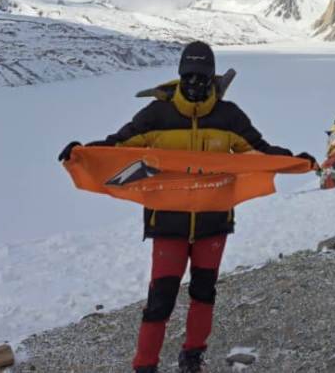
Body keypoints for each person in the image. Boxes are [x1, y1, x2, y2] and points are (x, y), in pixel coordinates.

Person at [59, 41, 314, 373]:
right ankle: (145, 365)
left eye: (201, 76)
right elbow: (117, 147)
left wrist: (294, 161)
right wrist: (83, 152)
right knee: (160, 299)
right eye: (189, 75)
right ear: (180, 75)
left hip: (214, 221)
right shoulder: (157, 115)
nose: (194, 82)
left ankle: (193, 356)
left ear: (211, 77)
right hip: (168, 223)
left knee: (204, 292)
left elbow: (259, 152)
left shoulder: (229, 116)